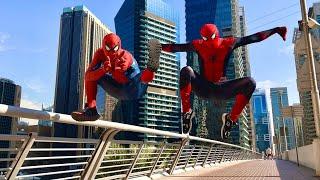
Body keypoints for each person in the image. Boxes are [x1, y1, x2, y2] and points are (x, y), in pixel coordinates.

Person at [161, 23, 287, 138]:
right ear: (202, 37)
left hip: (221, 89)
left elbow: (254, 38)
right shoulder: (199, 44)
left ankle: (231, 119)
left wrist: (275, 30)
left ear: (216, 35)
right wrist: (159, 47)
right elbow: (176, 47)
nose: (209, 42)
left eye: (210, 38)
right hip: (205, 87)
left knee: (250, 82)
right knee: (186, 70)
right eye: (206, 39)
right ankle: (187, 112)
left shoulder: (227, 43)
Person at [71, 33, 161, 121]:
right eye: (107, 48)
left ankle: (151, 69)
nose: (111, 52)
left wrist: (119, 70)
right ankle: (92, 110)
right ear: (103, 46)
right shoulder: (99, 54)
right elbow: (88, 76)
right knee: (92, 76)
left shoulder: (125, 56)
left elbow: (123, 78)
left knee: (140, 77)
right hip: (118, 90)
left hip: (135, 89)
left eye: (115, 49)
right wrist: (102, 70)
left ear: (119, 46)